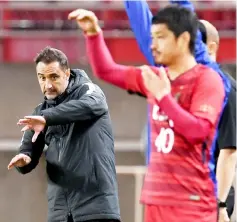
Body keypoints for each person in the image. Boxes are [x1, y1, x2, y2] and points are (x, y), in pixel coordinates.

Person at [69, 6, 225, 222]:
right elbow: (107, 70)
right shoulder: (155, 77)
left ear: (183, 39)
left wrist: (163, 97)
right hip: (155, 199)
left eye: (161, 37)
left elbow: (198, 131)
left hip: (191, 201)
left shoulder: (207, 80)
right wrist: (93, 34)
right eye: (152, 37)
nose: (153, 45)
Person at [124, 1, 235, 220]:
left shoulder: (221, 85)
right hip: (164, 193)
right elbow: (146, 29)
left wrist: (220, 204)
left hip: (200, 195)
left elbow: (229, 152)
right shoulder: (167, 76)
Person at [7, 47, 121, 222]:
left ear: (67, 73)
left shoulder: (89, 91)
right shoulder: (41, 112)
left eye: (54, 77)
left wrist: (46, 118)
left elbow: (92, 105)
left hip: (96, 208)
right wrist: (24, 158)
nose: (48, 85)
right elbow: (28, 148)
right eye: (42, 78)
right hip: (60, 213)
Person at [199, 20, 237, 222]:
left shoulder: (226, 88)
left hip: (210, 197)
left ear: (211, 47)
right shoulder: (188, 86)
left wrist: (220, 204)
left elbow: (229, 150)